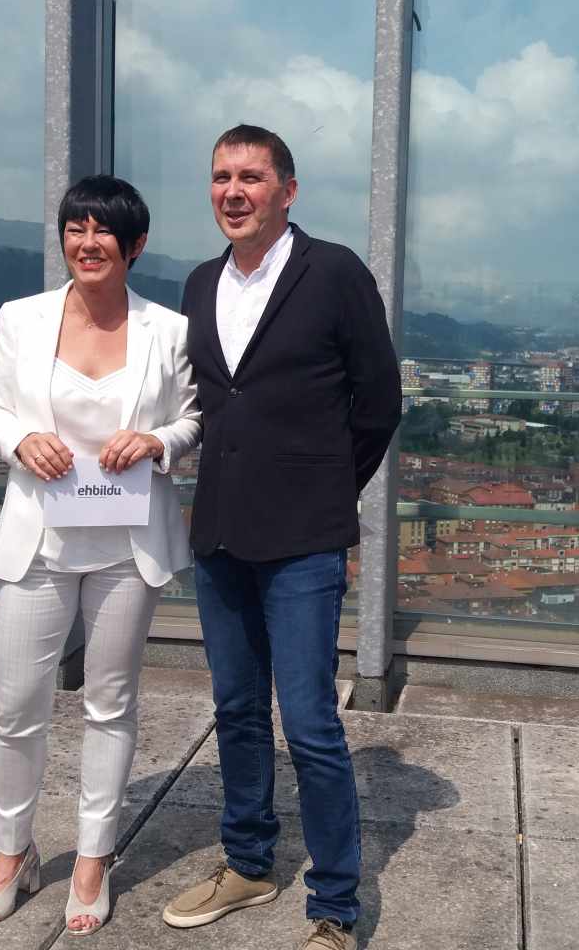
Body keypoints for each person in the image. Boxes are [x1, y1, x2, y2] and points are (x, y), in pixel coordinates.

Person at [161, 125, 402, 950]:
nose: (234, 190)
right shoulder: (199, 283)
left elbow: (378, 403)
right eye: (221, 175)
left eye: (252, 177)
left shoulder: (333, 273)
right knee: (234, 710)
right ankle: (249, 864)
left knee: (309, 723)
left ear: (286, 191)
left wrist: (325, 489)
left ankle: (334, 905)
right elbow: (204, 404)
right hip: (220, 532)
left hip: (303, 539)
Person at [0, 175, 201, 936]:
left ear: (133, 247)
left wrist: (160, 440)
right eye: (75, 228)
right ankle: (13, 852)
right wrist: (17, 439)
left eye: (104, 232)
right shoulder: (21, 319)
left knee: (110, 703)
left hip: (127, 548)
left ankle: (95, 857)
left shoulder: (168, 329)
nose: (87, 242)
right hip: (39, 539)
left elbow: (193, 418)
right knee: (16, 707)